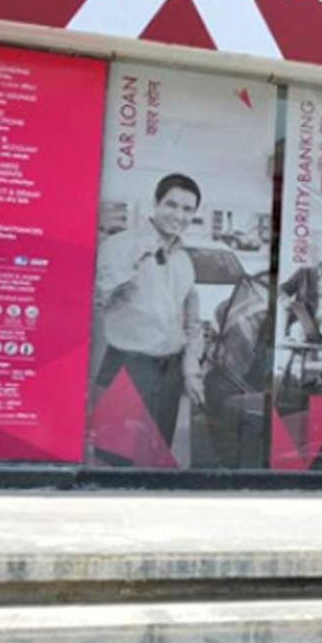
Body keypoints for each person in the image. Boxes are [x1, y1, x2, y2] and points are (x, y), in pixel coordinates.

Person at [92, 173, 205, 448]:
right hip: (128, 367)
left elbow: (192, 322)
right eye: (171, 205)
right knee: (116, 456)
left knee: (157, 453)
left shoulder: (184, 260)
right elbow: (95, 300)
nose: (178, 215)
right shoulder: (119, 246)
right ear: (156, 203)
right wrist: (137, 255)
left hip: (169, 374)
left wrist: (191, 372)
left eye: (187, 209)